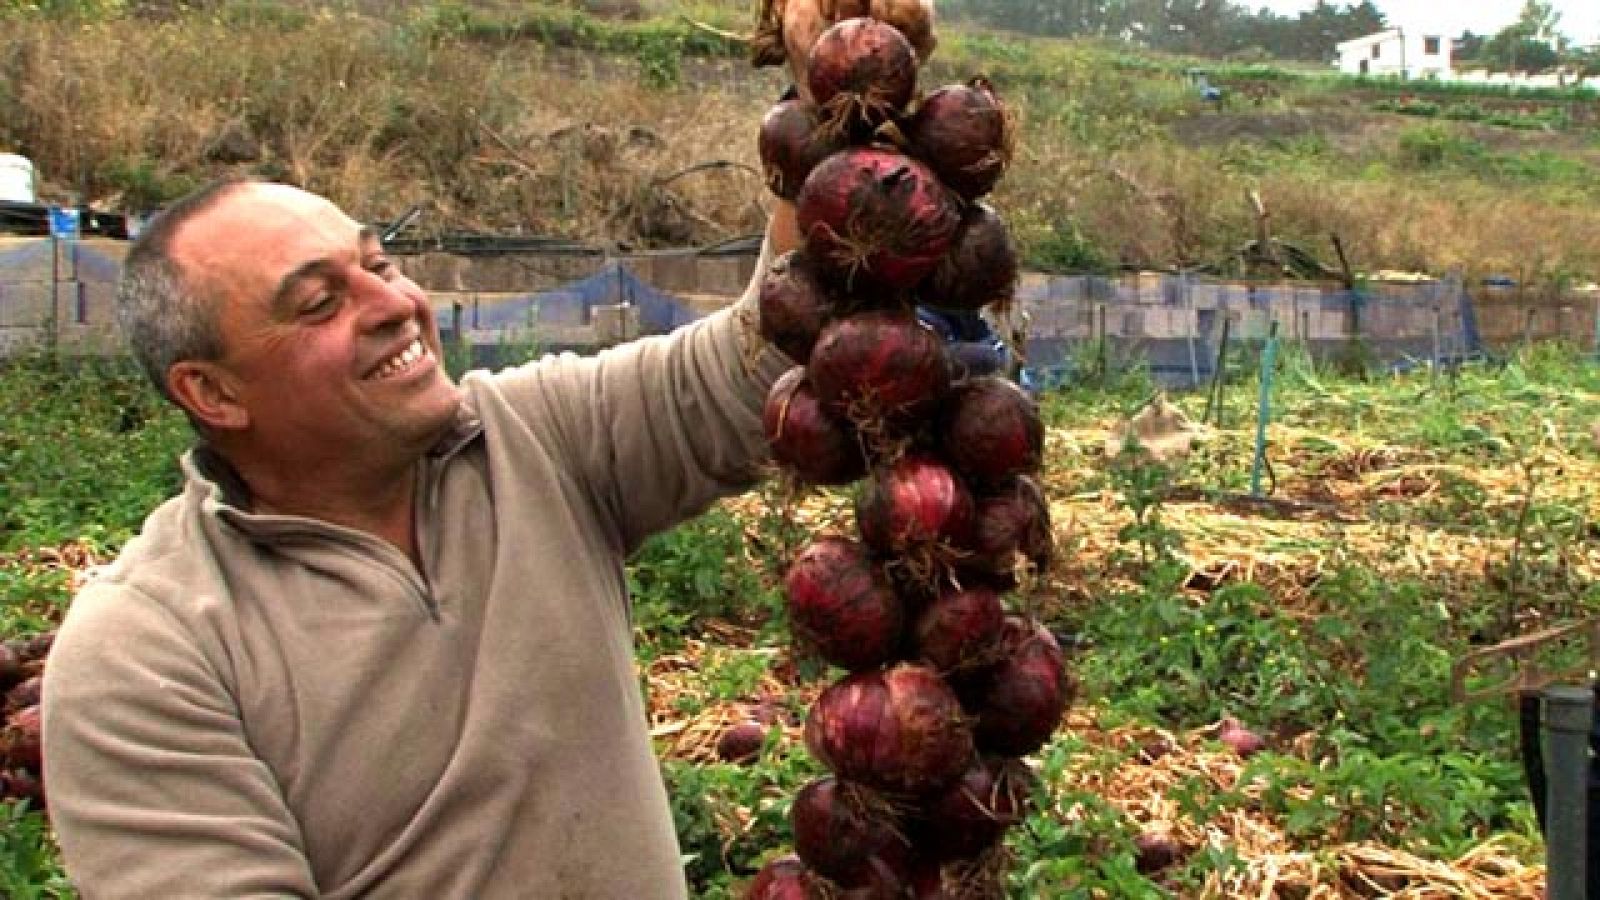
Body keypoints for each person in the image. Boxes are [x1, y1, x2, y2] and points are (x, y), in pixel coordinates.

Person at [40, 178, 796, 898]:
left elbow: (760, 362)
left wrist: (820, 120)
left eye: (379, 264)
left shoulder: (534, 437)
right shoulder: (147, 651)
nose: (395, 303)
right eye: (318, 303)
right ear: (213, 391)